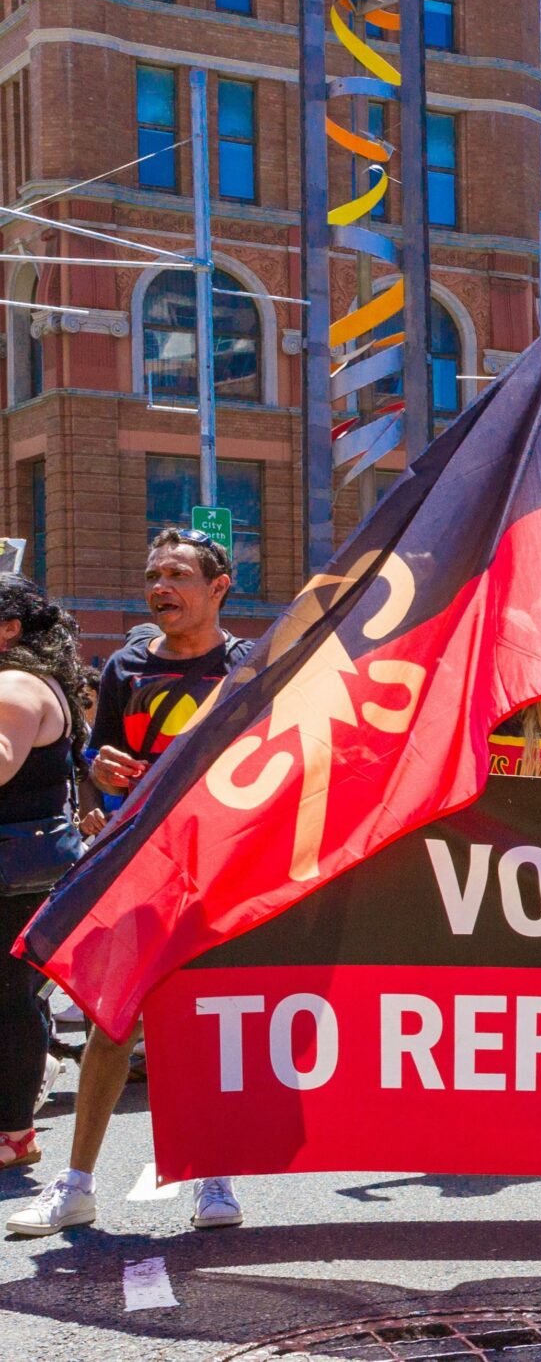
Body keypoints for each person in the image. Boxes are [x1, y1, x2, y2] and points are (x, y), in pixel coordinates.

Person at [10, 528, 256, 1238]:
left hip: (219, 865)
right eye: (153, 574)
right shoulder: (123, 665)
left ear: (218, 587)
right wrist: (98, 767)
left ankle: (217, 1178)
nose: (160, 587)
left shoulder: (248, 665)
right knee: (112, 1016)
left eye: (177, 573)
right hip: (138, 864)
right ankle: (78, 1185)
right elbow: (98, 754)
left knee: (212, 1019)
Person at [0, 577, 85, 1181]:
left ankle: (12, 1132)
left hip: (10, 874)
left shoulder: (14, 686)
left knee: (7, 1001)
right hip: (25, 869)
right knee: (11, 999)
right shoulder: (37, 681)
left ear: (9, 628)